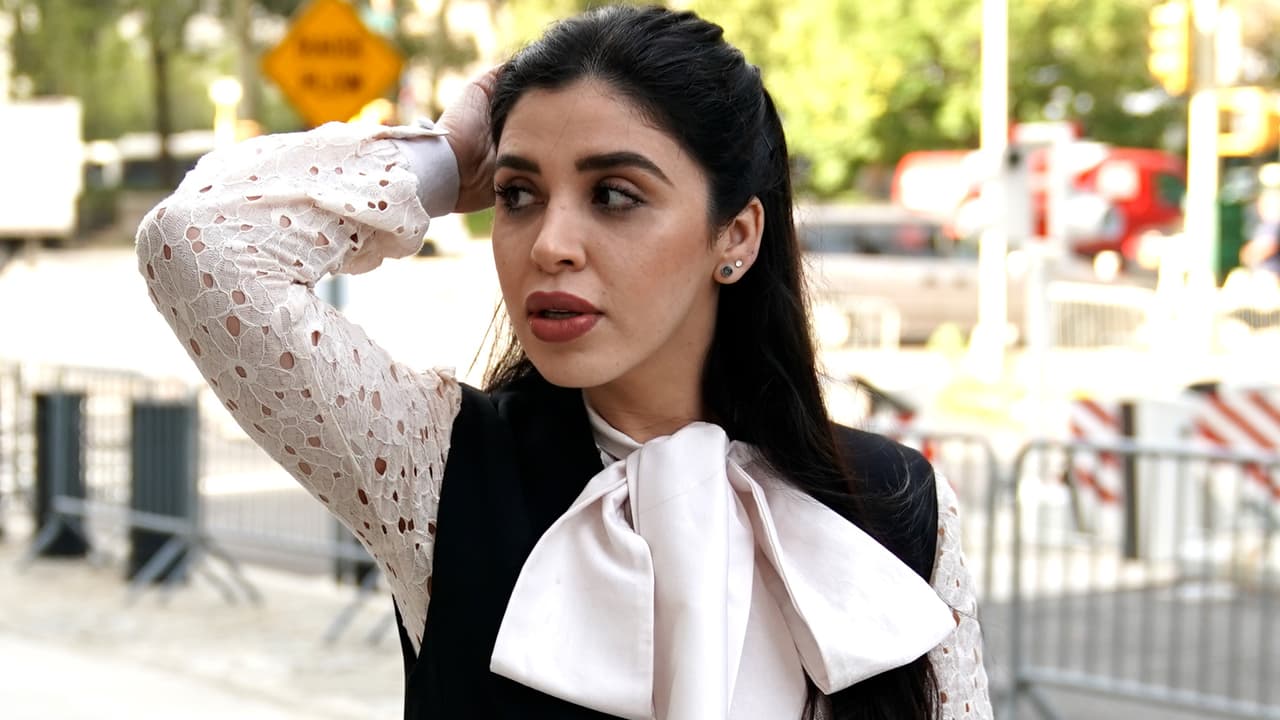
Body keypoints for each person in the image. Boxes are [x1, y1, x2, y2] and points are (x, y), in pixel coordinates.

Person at [136, 5, 992, 719]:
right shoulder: (436, 468)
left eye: (614, 195)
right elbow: (195, 240)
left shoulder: (896, 506)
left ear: (735, 236)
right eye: (518, 194)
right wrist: (447, 158)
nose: (550, 244)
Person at [1241, 189, 1280, 277]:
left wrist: (1251, 254)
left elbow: (1267, 247)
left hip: (1271, 273)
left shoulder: (1274, 224)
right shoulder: (1265, 225)